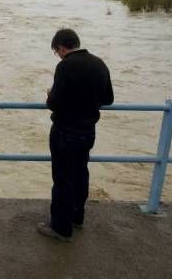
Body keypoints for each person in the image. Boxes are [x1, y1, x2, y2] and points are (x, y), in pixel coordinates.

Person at [38, 29, 114, 241]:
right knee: (81, 173)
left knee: (63, 179)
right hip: (88, 131)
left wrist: (49, 96)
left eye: (57, 51)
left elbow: (54, 103)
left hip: (65, 131)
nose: (58, 55)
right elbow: (108, 98)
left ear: (61, 47)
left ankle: (61, 228)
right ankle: (77, 216)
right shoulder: (100, 63)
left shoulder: (65, 66)